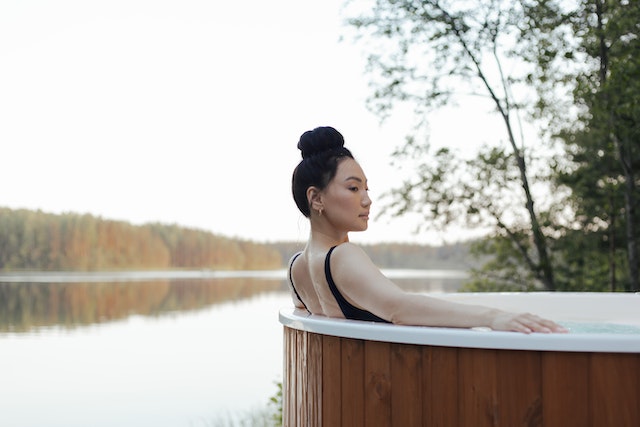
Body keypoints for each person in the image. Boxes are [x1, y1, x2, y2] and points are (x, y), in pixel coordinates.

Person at [288, 126, 567, 333]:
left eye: (366, 187)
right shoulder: (342, 256)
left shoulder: (296, 267)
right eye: (353, 187)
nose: (367, 199)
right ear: (316, 198)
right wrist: (493, 317)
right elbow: (399, 308)